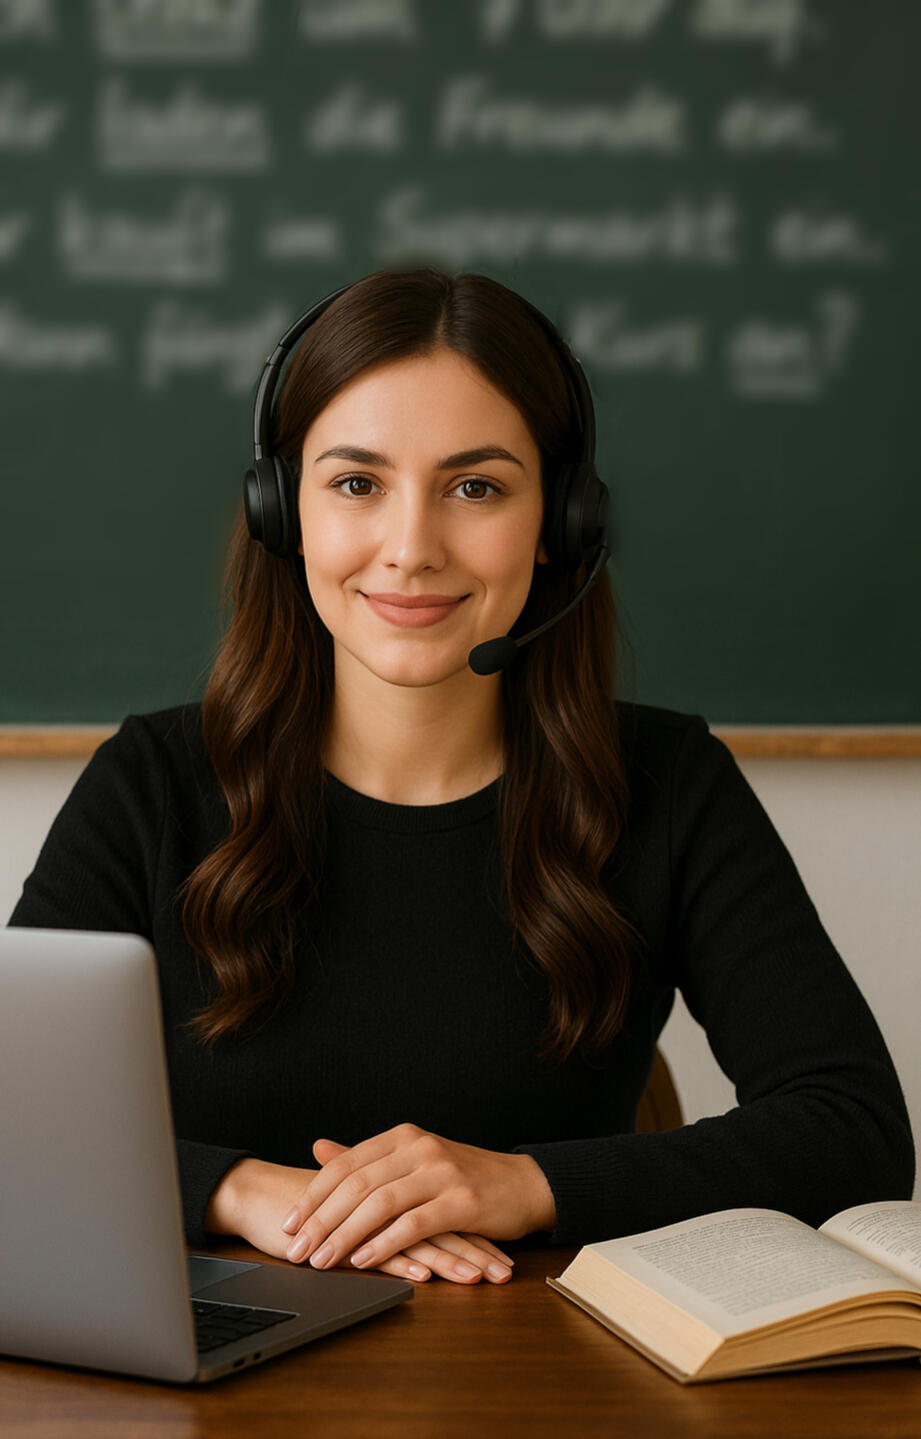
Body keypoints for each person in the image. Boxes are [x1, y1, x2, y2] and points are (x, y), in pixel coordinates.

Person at [8, 267, 914, 1291]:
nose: (410, 548)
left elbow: (855, 1128)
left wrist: (519, 1184)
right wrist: (242, 1190)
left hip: (547, 1383)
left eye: (475, 486)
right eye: (356, 483)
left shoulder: (669, 786)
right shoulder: (151, 786)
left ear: (561, 520)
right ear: (280, 509)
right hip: (207, 1377)